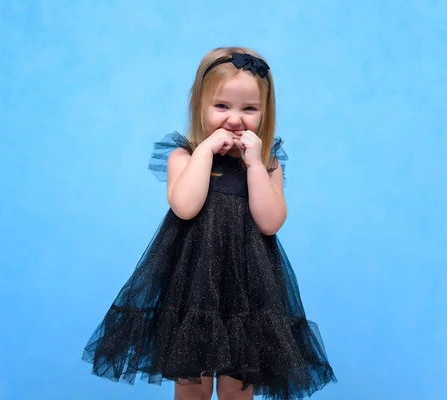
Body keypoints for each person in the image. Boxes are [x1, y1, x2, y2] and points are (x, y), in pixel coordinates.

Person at [82, 46, 336, 400]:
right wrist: (204, 152)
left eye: (249, 109)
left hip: (247, 288)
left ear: (266, 113)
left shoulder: (268, 166)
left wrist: (253, 166)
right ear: (199, 106)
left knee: (238, 390)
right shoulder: (183, 156)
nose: (235, 120)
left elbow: (270, 222)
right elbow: (185, 207)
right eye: (222, 107)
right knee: (192, 390)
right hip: (193, 285)